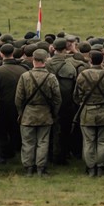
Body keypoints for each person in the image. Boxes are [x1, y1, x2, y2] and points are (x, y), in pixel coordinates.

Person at [15, 48, 61, 176]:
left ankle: (28, 168)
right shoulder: (51, 77)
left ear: (33, 60)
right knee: (43, 142)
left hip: (28, 113)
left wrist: (20, 112)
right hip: (45, 113)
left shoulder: (25, 76)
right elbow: (57, 98)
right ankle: (41, 168)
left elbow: (19, 98)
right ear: (45, 60)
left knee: (28, 142)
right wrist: (54, 112)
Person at [74, 50, 104, 177]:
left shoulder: (82, 75)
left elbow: (76, 95)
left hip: (87, 111)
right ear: (102, 60)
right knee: (103, 141)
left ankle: (90, 167)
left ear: (90, 60)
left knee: (88, 141)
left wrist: (82, 102)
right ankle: (101, 167)